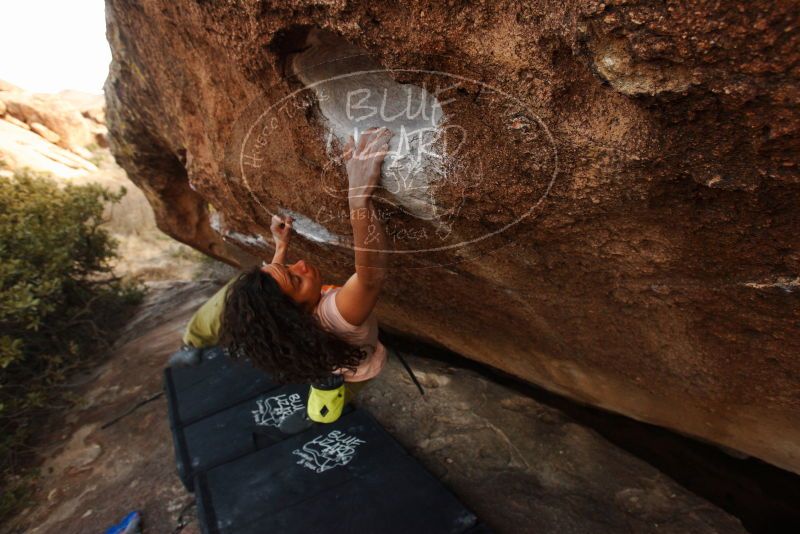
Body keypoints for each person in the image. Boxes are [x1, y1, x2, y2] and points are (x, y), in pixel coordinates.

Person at [169, 127, 393, 418]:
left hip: (326, 355)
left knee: (324, 365)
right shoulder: (338, 316)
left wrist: (280, 247)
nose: (300, 265)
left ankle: (323, 393)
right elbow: (370, 277)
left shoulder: (290, 327)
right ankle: (319, 414)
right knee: (331, 401)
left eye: (288, 267)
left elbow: (277, 292)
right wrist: (358, 199)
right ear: (298, 314)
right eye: (297, 279)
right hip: (357, 368)